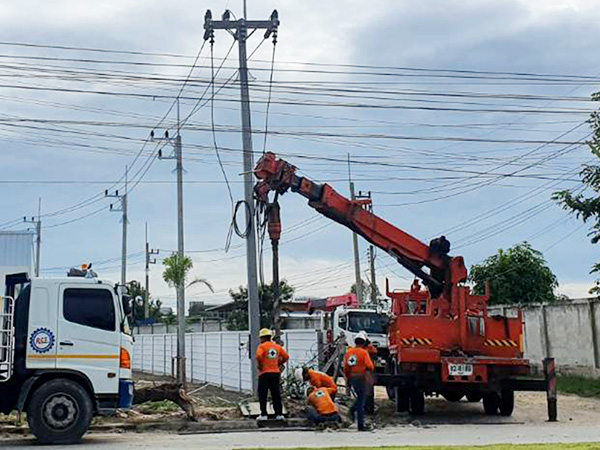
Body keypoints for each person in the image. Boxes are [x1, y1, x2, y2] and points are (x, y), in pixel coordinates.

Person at [255, 328, 289, 421]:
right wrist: (279, 363)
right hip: (275, 373)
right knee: (276, 393)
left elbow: (258, 356)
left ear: (262, 338)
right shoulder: (277, 347)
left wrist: (260, 365)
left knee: (263, 394)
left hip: (264, 373)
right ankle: (279, 414)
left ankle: (264, 414)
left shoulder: (261, 346)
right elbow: (286, 356)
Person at [344, 330, 374, 431]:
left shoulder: (349, 352)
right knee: (362, 401)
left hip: (352, 378)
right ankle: (360, 425)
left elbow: (346, 368)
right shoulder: (364, 352)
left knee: (360, 398)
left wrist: (348, 378)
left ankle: (352, 411)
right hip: (361, 378)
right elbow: (370, 366)